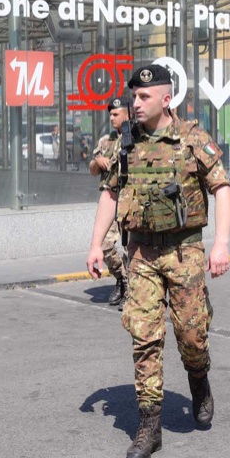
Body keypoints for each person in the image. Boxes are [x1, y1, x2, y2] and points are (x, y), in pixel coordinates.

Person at [86, 63, 230, 458]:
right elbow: (110, 195)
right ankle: (149, 425)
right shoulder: (125, 144)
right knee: (144, 336)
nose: (135, 102)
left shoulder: (190, 138)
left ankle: (199, 380)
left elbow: (221, 187)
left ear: (166, 99)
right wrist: (96, 244)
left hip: (185, 253)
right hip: (142, 255)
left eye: (144, 96)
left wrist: (220, 244)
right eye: (133, 96)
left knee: (191, 335)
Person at [88, 94, 132, 307]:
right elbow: (92, 170)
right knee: (104, 244)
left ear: (127, 113)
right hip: (110, 201)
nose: (112, 118)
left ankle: (130, 291)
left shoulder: (136, 140)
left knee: (130, 248)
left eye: (116, 114)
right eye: (111, 115)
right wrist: (98, 161)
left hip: (131, 201)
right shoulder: (106, 141)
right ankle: (122, 279)